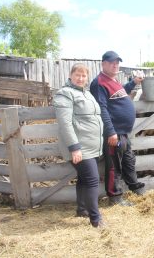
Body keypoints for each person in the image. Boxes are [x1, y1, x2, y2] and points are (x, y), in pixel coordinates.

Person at [90, 50, 146, 206]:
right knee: (114, 166)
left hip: (123, 133)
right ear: (103, 64)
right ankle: (115, 197)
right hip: (114, 134)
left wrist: (134, 82)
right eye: (112, 63)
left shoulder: (113, 80)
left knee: (128, 161)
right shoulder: (99, 83)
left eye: (117, 63)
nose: (115, 65)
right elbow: (102, 109)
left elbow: (121, 93)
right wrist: (111, 131)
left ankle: (135, 187)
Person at [53, 63, 105, 228]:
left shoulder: (87, 94)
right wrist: (74, 147)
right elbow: (65, 123)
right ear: (70, 75)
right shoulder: (65, 94)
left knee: (84, 179)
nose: (81, 78)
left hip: (92, 147)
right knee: (92, 180)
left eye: (84, 76)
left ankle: (82, 209)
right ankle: (95, 219)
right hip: (80, 148)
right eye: (78, 75)